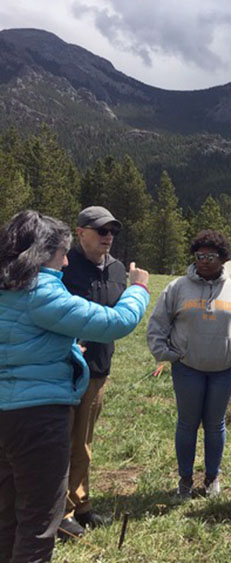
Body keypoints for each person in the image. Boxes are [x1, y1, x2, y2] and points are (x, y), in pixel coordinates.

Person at [0, 210, 149, 563]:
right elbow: (117, 321)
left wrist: (63, 348)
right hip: (37, 419)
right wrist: (139, 288)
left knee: (6, 514)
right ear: (40, 254)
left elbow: (16, 341)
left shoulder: (8, 287)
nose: (66, 261)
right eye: (60, 253)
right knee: (40, 521)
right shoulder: (42, 292)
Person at [147, 230, 231, 500]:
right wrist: (164, 352)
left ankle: (212, 478)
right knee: (187, 424)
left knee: (215, 424)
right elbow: (158, 322)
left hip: (224, 369)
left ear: (223, 258)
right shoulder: (177, 288)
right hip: (187, 367)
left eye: (210, 256)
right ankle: (185, 481)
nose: (204, 261)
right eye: (199, 256)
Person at [56, 206, 126, 538]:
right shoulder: (63, 268)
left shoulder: (117, 269)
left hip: (98, 369)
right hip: (64, 368)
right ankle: (61, 512)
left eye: (111, 231)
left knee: (83, 440)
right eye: (101, 231)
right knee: (63, 440)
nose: (107, 237)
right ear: (80, 232)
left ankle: (79, 505)